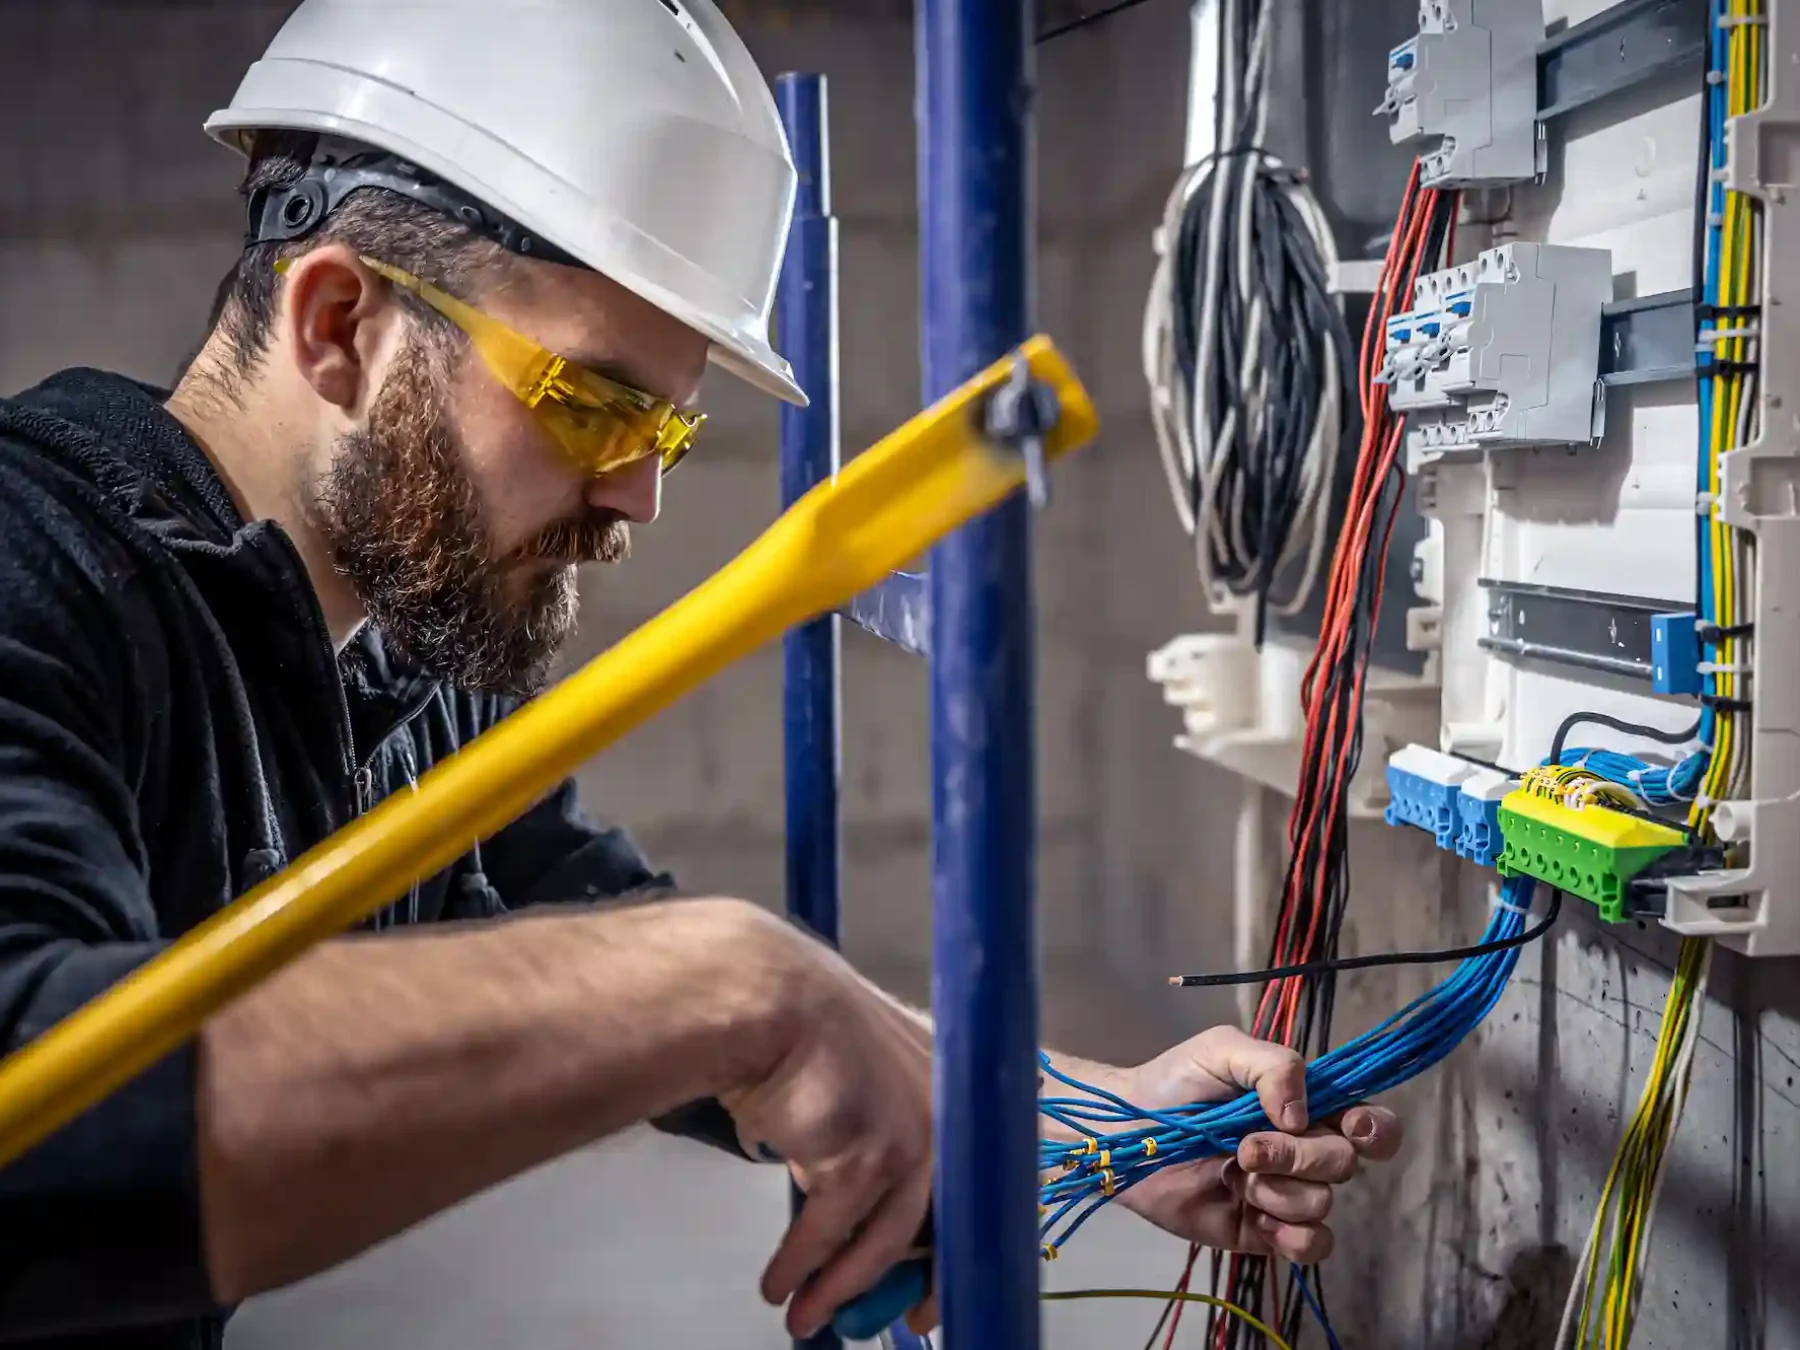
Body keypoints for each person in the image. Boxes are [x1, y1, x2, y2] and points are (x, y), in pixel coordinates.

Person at [0, 2, 1403, 1346]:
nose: (638, 498)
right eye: (595, 403)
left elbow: (606, 937)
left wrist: (1089, 1115)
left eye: (664, 434)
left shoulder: (393, 664)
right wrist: (735, 981)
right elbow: (42, 1132)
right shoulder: (34, 565)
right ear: (338, 325)